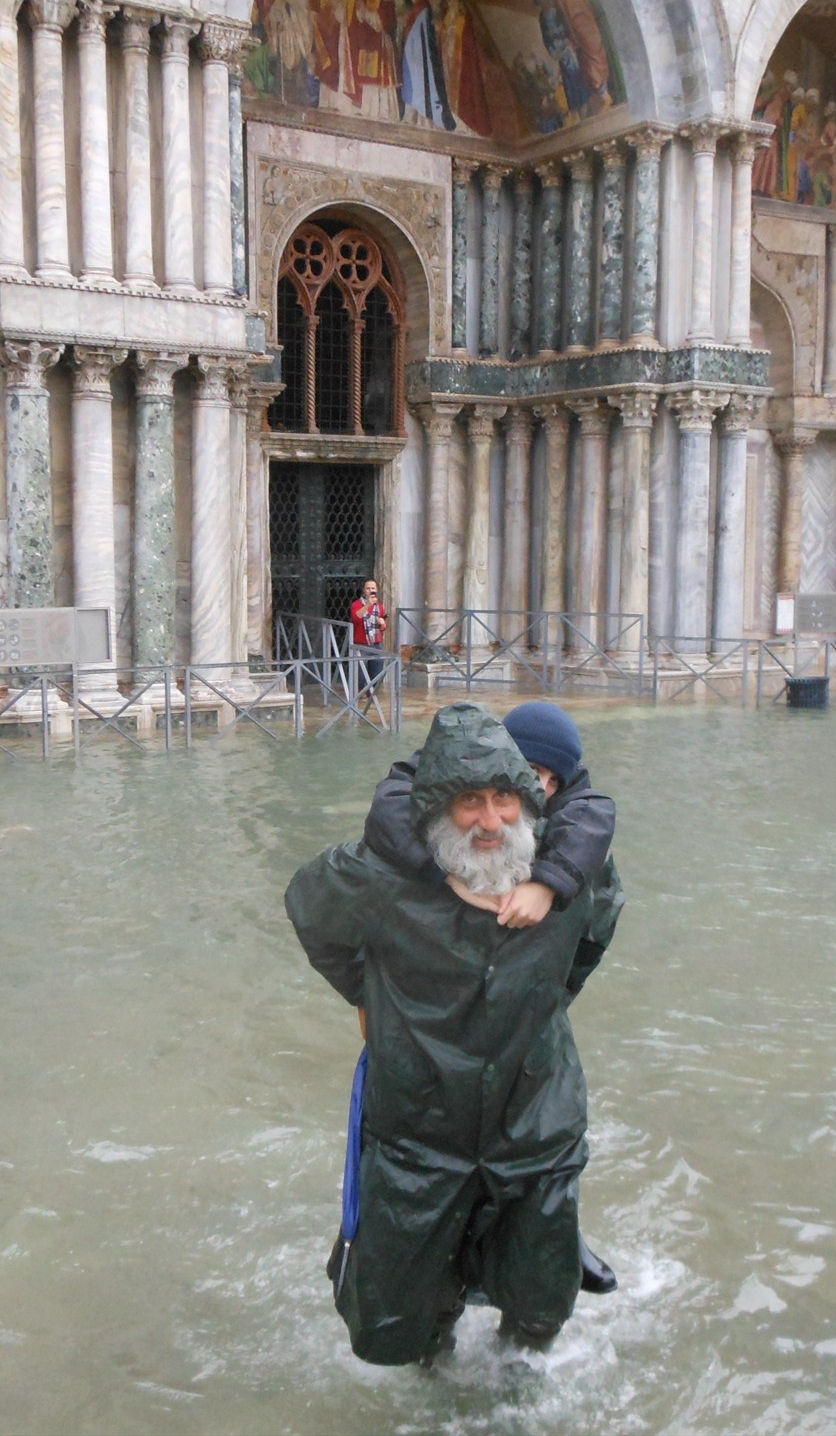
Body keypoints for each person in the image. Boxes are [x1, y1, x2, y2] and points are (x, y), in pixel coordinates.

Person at [287, 703, 623, 1366]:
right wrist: (374, 997)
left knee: (539, 1298)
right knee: (408, 1310)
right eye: (471, 802)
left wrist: (542, 1006)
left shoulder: (571, 874)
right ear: (439, 805)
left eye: (506, 798)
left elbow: (591, 942)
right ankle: (433, 1370)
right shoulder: (378, 877)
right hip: (419, 1125)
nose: (491, 821)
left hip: (535, 1120)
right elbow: (312, 914)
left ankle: (518, 1372)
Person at [364, 700, 613, 930]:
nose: (542, 788)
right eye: (532, 769)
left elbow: (593, 813)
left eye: (555, 781)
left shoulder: (576, 799)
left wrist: (547, 885)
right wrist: (440, 872)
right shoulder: (454, 756)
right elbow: (389, 802)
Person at [349, 579, 387, 685]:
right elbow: (356, 618)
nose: (371, 590)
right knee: (361, 673)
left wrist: (383, 624)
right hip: (362, 644)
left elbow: (383, 627)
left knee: (377, 671)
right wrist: (367, 605)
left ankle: (373, 693)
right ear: (364, 590)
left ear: (377, 590)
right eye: (368, 588)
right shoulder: (356, 604)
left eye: (373, 588)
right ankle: (362, 693)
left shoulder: (380, 606)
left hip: (377, 644)